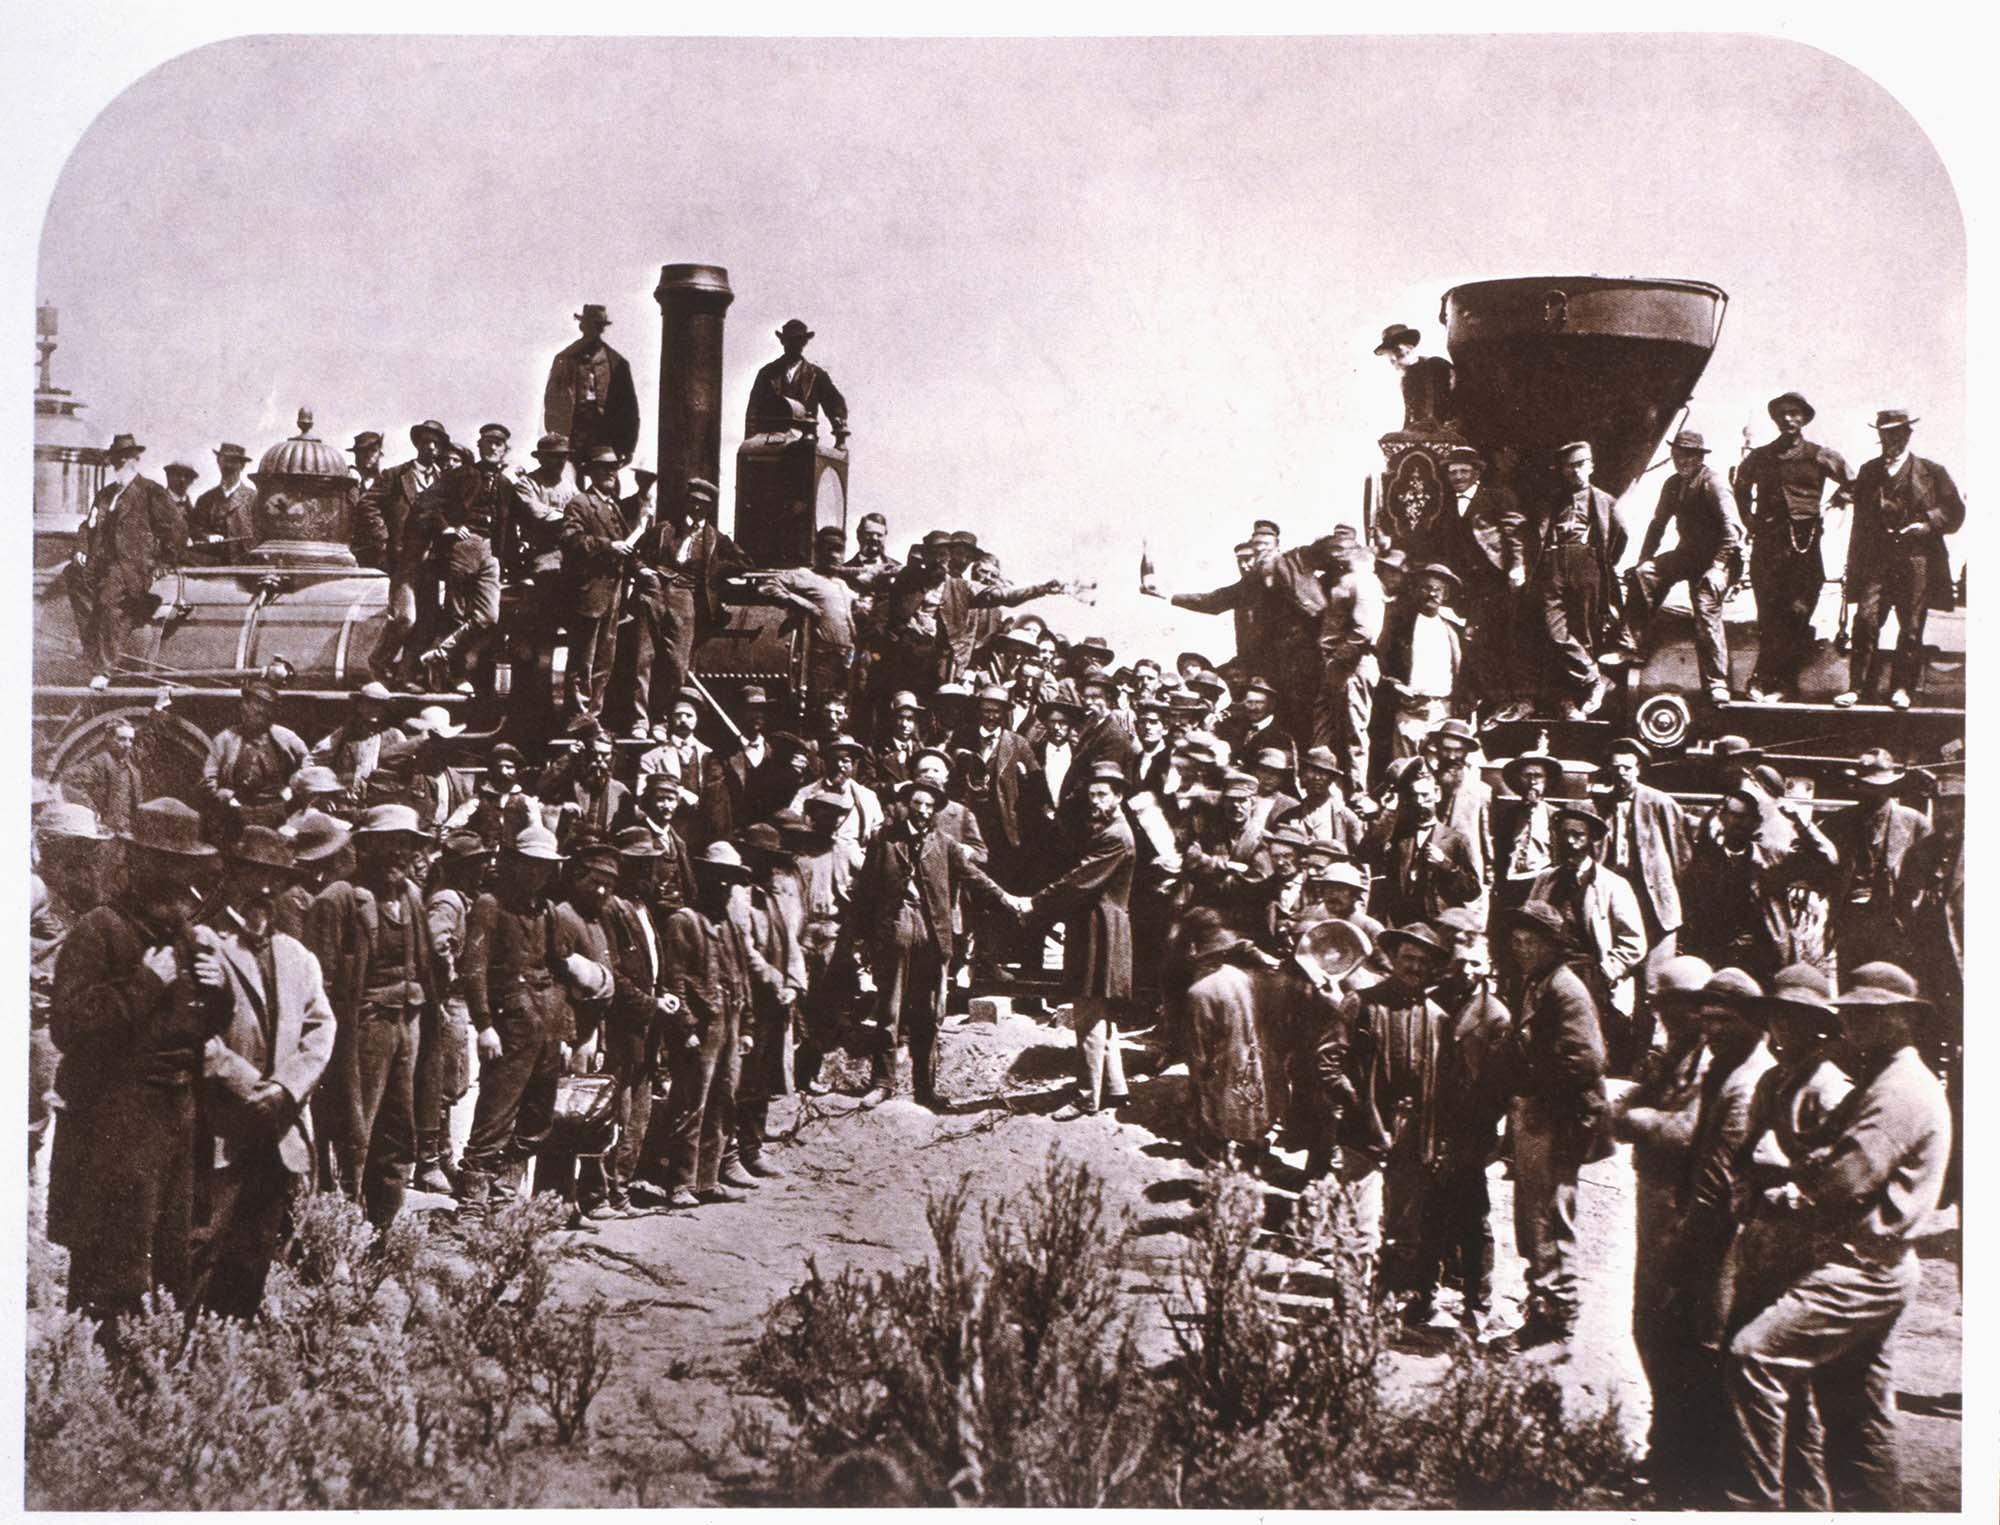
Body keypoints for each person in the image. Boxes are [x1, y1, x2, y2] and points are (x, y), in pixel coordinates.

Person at [1723, 962, 1950, 1510]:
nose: (1852, 1026)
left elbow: (1843, 1179)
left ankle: (1754, 1507)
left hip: (1862, 1268)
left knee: (1752, 1357)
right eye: (1850, 1015)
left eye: (1868, 1016)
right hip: (1875, 1264)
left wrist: (1784, 1182)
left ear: (1901, 1020)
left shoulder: (1899, 1088)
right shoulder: (1887, 1079)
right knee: (1855, 1416)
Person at [47, 799, 220, 1327]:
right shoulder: (98, 930)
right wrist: (147, 983)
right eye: (162, 862)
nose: (175, 877)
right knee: (114, 1264)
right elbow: (70, 1024)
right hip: (116, 1117)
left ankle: (152, 1382)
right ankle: (105, 1381)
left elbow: (195, 1030)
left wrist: (220, 993)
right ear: (136, 861)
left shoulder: (184, 933)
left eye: (183, 864)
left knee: (167, 1258)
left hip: (175, 1111)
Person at [189, 826, 335, 1319]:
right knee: (203, 1248)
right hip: (221, 1127)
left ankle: (229, 1357)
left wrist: (285, 1088)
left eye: (277, 879)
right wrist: (248, 1085)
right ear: (230, 875)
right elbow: (195, 1035)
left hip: (277, 1127)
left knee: (254, 1252)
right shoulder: (204, 943)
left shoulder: (296, 955)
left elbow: (321, 1028)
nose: (267, 890)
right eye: (257, 876)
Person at [1610, 952, 1715, 1492]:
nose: (1666, 1016)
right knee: (1649, 1324)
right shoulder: (1673, 1054)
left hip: (1683, 1204)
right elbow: (1626, 1109)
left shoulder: (1710, 1060)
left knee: (1671, 1325)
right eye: (1661, 1006)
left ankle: (1682, 1454)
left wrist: (1639, 1117)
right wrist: (1639, 1113)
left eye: (1675, 1007)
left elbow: (1675, 1131)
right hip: (1656, 1197)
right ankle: (1668, 1444)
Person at [1491, 899, 1612, 1353]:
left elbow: (1587, 1059)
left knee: (1550, 1219)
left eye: (1531, 942)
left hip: (1559, 1119)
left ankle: (1557, 1322)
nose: (1522, 949)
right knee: (1533, 1217)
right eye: (1516, 942)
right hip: (1539, 1115)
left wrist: (1541, 1093)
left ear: (1551, 945)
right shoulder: (1536, 983)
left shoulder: (1564, 989)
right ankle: (1541, 1308)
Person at [456, 824, 592, 1219]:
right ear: (514, 863)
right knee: (495, 1115)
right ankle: (472, 1202)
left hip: (545, 1027)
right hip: (508, 1027)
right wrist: (484, 1025)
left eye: (545, 867)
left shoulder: (546, 910)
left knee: (536, 1118)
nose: (538, 874)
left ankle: (504, 1193)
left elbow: (558, 969)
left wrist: (564, 1031)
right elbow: (474, 971)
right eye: (531, 865)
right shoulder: (489, 905)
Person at [847, 778, 1009, 1109]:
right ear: (907, 805)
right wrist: (864, 938)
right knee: (890, 1009)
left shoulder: (945, 844)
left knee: (929, 1013)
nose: (922, 811)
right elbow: (866, 891)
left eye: (928, 806)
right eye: (917, 804)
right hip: (897, 927)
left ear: (935, 809)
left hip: (934, 934)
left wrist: (1008, 900)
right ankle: (882, 1082)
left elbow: (975, 878)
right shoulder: (885, 840)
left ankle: (926, 1089)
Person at [1018, 762, 1138, 1119]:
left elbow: (1078, 881)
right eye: (1091, 795)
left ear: (1119, 796)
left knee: (1087, 1013)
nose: (1095, 802)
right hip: (1097, 927)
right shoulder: (1110, 829)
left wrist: (1035, 904)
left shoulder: (1116, 836)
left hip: (1101, 931)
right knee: (1098, 1013)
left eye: (1103, 794)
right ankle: (1115, 1088)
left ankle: (1087, 1096)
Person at [1837, 409, 1964, 709]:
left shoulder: (1932, 472)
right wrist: (1852, 567)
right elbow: (1859, 524)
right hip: (1876, 561)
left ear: (1907, 434)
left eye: (1897, 432)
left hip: (1916, 560)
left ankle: (1902, 689)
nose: (1890, 439)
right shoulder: (1869, 472)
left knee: (1910, 625)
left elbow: (1954, 511)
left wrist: (1926, 523)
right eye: (1885, 433)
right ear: (1878, 436)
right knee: (1865, 620)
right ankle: (1856, 688)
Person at [1734, 392, 1852, 703]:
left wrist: (1836, 502)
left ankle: (1782, 680)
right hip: (1768, 546)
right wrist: (1748, 519)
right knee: (1770, 615)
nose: (1789, 419)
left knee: (1798, 611)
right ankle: (1766, 681)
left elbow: (1853, 482)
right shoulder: (1760, 457)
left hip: (1805, 545)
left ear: (1804, 418)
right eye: (1783, 414)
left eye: (1795, 413)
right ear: (1775, 419)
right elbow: (1741, 485)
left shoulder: (1819, 454)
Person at [1610, 430, 1742, 704]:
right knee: (1645, 575)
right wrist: (1643, 559)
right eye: (1677, 455)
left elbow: (1733, 530)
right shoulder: (1672, 484)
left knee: (1706, 607)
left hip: (1720, 557)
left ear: (1698, 457)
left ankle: (1717, 683)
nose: (1681, 461)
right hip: (1689, 553)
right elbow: (1658, 525)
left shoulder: (1713, 484)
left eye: (1687, 456)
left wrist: (1718, 567)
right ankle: (1631, 646)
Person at [658, 842, 757, 1206]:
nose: (723, 887)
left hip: (728, 1023)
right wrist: (684, 1028)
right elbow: (675, 980)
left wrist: (746, 1026)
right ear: (703, 878)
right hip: (701, 1026)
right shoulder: (684, 921)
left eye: (730, 881)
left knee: (724, 1099)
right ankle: (679, 1182)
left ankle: (707, 1178)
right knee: (691, 1102)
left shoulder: (727, 924)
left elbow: (741, 977)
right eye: (718, 879)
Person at [1525, 803, 1647, 1072]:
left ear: (1591, 839)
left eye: (1578, 835)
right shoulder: (1545, 880)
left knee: (1591, 1054)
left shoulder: (1613, 885)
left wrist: (1604, 973)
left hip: (1595, 979)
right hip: (1550, 976)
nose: (1570, 842)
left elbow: (1634, 942)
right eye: (1565, 834)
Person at [30, 804, 111, 1190]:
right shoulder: (33, 889)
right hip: (35, 1016)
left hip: (58, 1015)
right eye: (76, 851)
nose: (86, 862)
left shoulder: (79, 893)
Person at [1593, 737, 1692, 1056]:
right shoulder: (1603, 804)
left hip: (1654, 905)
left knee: (1654, 985)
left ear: (1638, 769)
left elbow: (1680, 856)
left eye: (1628, 767)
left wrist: (1668, 891)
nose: (1621, 773)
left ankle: (1648, 1054)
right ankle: (1620, 1049)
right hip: (1621, 901)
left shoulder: (1658, 802)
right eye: (1616, 767)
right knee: (1612, 975)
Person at [68, 432, 183, 687]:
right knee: (73, 575)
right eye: (115, 459)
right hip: (101, 563)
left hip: (132, 566)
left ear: (135, 459)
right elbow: (87, 526)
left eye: (124, 459)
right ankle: (92, 651)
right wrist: (81, 548)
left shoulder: (151, 491)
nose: (118, 464)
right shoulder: (106, 494)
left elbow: (175, 529)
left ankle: (105, 669)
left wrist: (165, 563)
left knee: (109, 600)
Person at [1525, 441, 1625, 720]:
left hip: (1586, 564)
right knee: (1554, 631)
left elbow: (1620, 536)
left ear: (1591, 466)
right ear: (1563, 470)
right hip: (1554, 564)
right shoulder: (1553, 501)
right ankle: (1595, 678)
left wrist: (1598, 563)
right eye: (1570, 466)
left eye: (1582, 464)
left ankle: (1575, 701)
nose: (1576, 471)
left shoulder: (1604, 500)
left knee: (1584, 632)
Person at [413, 422, 517, 691]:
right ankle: (454, 676)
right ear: (480, 446)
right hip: (463, 546)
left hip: (491, 550)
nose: (493, 447)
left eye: (499, 444)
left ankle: (441, 653)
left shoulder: (506, 485)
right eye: (488, 443)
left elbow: (512, 526)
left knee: (488, 616)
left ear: (506, 450)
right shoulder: (463, 474)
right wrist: (447, 527)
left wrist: (510, 562)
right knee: (456, 613)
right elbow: (426, 503)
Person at [415, 829, 485, 1195]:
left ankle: (439, 1156)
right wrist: (452, 974)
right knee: (442, 1081)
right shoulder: (448, 901)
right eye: (475, 864)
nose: (481, 870)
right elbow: (436, 941)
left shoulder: (461, 899)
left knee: (453, 1080)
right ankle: (432, 1158)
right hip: (448, 999)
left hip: (457, 999)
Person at [1440, 447, 1530, 721]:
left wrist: (1517, 566)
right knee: (1471, 640)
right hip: (1467, 586)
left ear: (1476, 472)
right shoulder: (1447, 503)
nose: (1457, 477)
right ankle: (1484, 699)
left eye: (1463, 471)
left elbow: (1514, 533)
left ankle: (1507, 699)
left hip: (1495, 580)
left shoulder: (1496, 497)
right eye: (1453, 472)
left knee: (1486, 638)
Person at [358, 419, 450, 682]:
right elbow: (368, 503)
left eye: (436, 443)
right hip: (404, 559)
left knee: (426, 625)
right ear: (418, 444)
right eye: (426, 442)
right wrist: (384, 539)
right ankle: (378, 663)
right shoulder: (396, 475)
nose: (431, 447)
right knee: (405, 618)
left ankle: (404, 676)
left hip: (432, 561)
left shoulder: (445, 479)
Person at [1822, 749, 1930, 973]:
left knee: (1892, 987)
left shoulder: (1915, 823)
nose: (1875, 792)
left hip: (1895, 921)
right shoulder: (1837, 823)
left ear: (1891, 787)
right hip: (1850, 922)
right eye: (1868, 785)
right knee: (1851, 989)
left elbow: (1927, 876)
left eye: (1881, 787)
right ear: (1857, 785)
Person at [560, 447, 639, 721]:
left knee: (605, 659)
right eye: (604, 469)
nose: (610, 473)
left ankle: (593, 714)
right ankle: (578, 714)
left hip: (614, 592)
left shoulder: (613, 505)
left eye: (614, 469)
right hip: (590, 591)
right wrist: (608, 546)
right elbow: (571, 540)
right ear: (591, 472)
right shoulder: (580, 503)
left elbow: (627, 545)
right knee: (584, 658)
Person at [1377, 564, 1464, 759]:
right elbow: (1381, 661)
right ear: (1416, 591)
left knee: (1442, 764)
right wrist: (1395, 686)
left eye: (1438, 589)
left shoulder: (1453, 628)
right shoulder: (1400, 625)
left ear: (1446, 594)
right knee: (1407, 767)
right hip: (1410, 710)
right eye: (1426, 588)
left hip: (1443, 710)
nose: (1432, 594)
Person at [202, 681, 310, 838]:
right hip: (236, 810)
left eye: (263, 706)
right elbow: (208, 774)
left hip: (277, 810)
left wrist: (294, 790)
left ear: (270, 712)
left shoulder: (286, 737)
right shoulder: (225, 738)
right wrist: (222, 794)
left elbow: (309, 765)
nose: (254, 711)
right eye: (251, 704)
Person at [544, 303, 640, 464]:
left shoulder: (617, 363)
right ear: (582, 326)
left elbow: (628, 407)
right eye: (590, 325)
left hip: (605, 435)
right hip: (572, 433)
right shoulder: (565, 358)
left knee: (605, 476)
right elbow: (553, 400)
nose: (594, 330)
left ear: (602, 329)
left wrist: (627, 446)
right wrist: (556, 437)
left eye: (598, 326)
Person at [745, 317, 849, 445]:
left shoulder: (816, 375)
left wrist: (838, 423)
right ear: (783, 341)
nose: (794, 345)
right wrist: (750, 443)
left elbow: (834, 403)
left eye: (798, 340)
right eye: (790, 340)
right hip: (771, 444)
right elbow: (753, 411)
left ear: (804, 343)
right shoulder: (767, 373)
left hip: (804, 442)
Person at [63, 719, 145, 837]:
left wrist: (157, 710)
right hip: (106, 833)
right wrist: (93, 816)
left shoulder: (129, 763)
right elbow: (71, 783)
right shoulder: (97, 763)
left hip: (128, 831)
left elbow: (146, 741)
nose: (127, 744)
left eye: (131, 740)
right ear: (108, 739)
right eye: (121, 739)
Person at [1374, 321, 1454, 431]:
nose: (1399, 349)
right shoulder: (1405, 379)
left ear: (1410, 347)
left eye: (1403, 344)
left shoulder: (1436, 365)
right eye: (1392, 349)